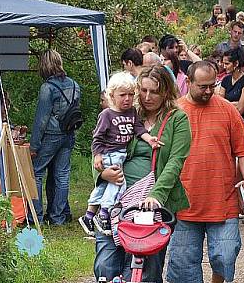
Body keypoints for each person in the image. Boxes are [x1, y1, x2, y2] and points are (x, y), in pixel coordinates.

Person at [94, 65, 191, 283]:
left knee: (144, 272)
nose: (147, 97)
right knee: (106, 266)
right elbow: (102, 149)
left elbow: (175, 162)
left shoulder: (177, 120)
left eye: (154, 92)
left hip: (152, 205)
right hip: (115, 201)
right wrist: (102, 173)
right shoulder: (124, 113)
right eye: (143, 91)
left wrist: (156, 195)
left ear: (166, 93)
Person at [168, 62, 244, 283]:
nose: (207, 91)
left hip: (223, 197)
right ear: (189, 83)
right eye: (202, 86)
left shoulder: (227, 110)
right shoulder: (175, 112)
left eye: (212, 86)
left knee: (226, 253)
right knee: (185, 257)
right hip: (185, 200)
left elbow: (243, 151)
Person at [79, 72, 163, 235]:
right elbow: (97, 137)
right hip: (110, 153)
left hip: (121, 154)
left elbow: (138, 129)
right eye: (122, 95)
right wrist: (97, 155)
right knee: (118, 183)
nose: (127, 99)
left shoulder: (132, 112)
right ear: (112, 96)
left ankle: (89, 215)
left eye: (131, 95)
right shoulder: (107, 115)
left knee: (106, 185)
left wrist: (149, 139)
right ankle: (104, 213)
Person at [30, 50, 79, 226]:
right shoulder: (74, 85)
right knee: (62, 175)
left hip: (51, 136)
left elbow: (41, 120)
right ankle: (58, 217)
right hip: (68, 135)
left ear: (44, 66)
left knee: (36, 173)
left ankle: (36, 217)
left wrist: (34, 146)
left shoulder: (47, 88)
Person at [217, 46, 244, 120]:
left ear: (236, 64)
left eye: (227, 64)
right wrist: (234, 104)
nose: (224, 66)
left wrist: (226, 104)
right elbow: (219, 103)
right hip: (226, 118)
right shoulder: (226, 80)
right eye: (223, 64)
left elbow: (240, 109)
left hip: (241, 120)